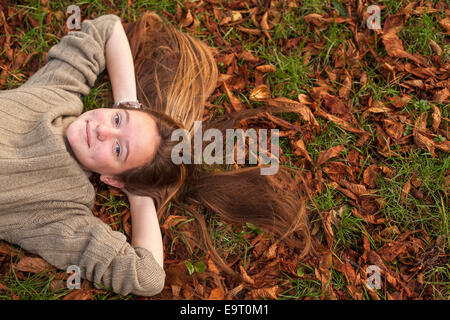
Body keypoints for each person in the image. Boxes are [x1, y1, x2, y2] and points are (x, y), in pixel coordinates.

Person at [0, 12, 314, 297]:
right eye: (117, 120)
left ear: (111, 177)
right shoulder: (61, 94)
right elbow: (108, 27)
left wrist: (138, 191)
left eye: (118, 149)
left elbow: (147, 276)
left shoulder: (62, 210)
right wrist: (128, 104)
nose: (102, 131)